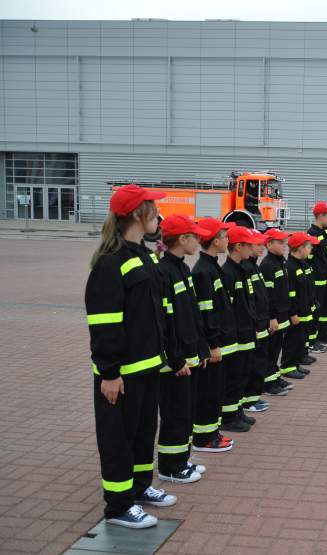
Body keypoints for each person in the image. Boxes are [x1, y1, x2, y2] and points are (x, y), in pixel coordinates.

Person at [86, 185, 174, 529]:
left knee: (141, 433)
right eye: (154, 211)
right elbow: (105, 322)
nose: (158, 217)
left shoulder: (143, 255)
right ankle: (119, 507)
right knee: (118, 439)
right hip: (120, 374)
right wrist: (109, 372)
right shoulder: (112, 263)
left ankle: (139, 488)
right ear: (139, 215)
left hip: (147, 366)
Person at [157, 215, 213, 484]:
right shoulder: (164, 272)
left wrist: (200, 349)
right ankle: (170, 467)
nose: (199, 241)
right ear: (181, 239)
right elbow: (166, 322)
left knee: (186, 412)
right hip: (174, 364)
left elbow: (192, 315)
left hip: (189, 357)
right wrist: (177, 359)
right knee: (175, 415)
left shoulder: (181, 269)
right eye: (195, 236)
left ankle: (182, 459)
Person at [191, 218, 237, 453]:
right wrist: (212, 343)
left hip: (219, 340)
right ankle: (203, 438)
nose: (228, 240)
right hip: (212, 345)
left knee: (215, 390)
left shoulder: (211, 266)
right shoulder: (203, 271)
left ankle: (212, 431)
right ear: (216, 240)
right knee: (208, 392)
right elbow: (206, 312)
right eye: (225, 236)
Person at [219, 226, 261, 432]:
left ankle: (237, 411)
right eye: (249, 245)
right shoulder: (228, 273)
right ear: (238, 247)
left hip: (246, 331)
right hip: (236, 335)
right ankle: (228, 417)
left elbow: (248, 303)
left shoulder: (242, 269)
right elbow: (229, 310)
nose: (253, 248)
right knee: (233, 377)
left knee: (242, 374)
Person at [259, 229, 297, 395]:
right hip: (275, 317)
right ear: (269, 244)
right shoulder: (268, 265)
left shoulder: (280, 261)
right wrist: (271, 317)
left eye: (285, 242)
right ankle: (268, 383)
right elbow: (268, 296)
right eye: (280, 242)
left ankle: (274, 377)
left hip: (283, 313)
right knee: (271, 350)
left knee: (276, 350)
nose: (284, 245)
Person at [281, 232, 319, 380]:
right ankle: (287, 366)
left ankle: (296, 363)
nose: (311, 249)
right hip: (297, 313)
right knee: (292, 340)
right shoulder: (290, 267)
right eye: (308, 246)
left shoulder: (302, 264)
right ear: (299, 248)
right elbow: (291, 294)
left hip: (305, 309)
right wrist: (293, 313)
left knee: (301, 339)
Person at [240, 229, 270, 414]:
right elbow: (250, 301)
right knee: (251, 365)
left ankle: (253, 397)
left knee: (259, 362)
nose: (261, 248)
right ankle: (248, 400)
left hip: (260, 323)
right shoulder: (246, 268)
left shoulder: (253, 266)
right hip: (254, 325)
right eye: (257, 244)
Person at [308, 202, 327, 345]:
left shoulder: (324, 231)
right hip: (316, 279)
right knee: (316, 309)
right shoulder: (312, 233)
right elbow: (309, 258)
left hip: (325, 277)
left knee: (325, 307)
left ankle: (323, 333)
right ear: (320, 216)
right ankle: (314, 338)